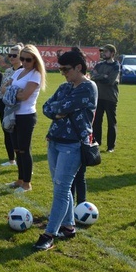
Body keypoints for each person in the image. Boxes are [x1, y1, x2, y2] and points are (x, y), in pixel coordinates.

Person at [35, 48, 97, 251]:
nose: (63, 73)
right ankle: (68, 227)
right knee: (60, 186)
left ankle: (49, 234)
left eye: (66, 69)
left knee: (62, 189)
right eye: (60, 69)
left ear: (79, 67)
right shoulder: (65, 86)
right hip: (54, 140)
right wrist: (59, 110)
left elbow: (59, 108)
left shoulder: (88, 88)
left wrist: (59, 110)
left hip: (73, 145)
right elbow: (46, 107)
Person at [1, 44, 46, 193]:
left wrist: (12, 91)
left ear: (35, 60)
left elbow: (25, 95)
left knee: (24, 150)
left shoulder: (35, 74)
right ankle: (20, 179)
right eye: (22, 59)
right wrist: (14, 91)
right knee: (16, 149)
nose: (25, 62)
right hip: (13, 115)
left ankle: (27, 183)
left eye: (28, 59)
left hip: (26, 116)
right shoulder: (18, 72)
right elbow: (3, 88)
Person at [0, 43, 23, 166]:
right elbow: (2, 88)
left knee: (19, 134)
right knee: (7, 131)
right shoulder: (8, 70)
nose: (12, 58)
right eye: (10, 55)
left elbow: (17, 90)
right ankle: (11, 159)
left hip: (17, 106)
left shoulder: (24, 71)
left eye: (15, 55)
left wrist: (6, 90)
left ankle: (21, 160)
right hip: (4, 104)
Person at [90, 44, 120, 152]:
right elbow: (92, 76)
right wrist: (104, 75)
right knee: (96, 121)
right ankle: (96, 142)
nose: (103, 53)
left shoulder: (116, 66)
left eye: (106, 52)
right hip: (98, 97)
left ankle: (110, 146)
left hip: (110, 98)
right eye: (103, 52)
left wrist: (100, 77)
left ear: (112, 53)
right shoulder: (99, 64)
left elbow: (110, 81)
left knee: (111, 122)